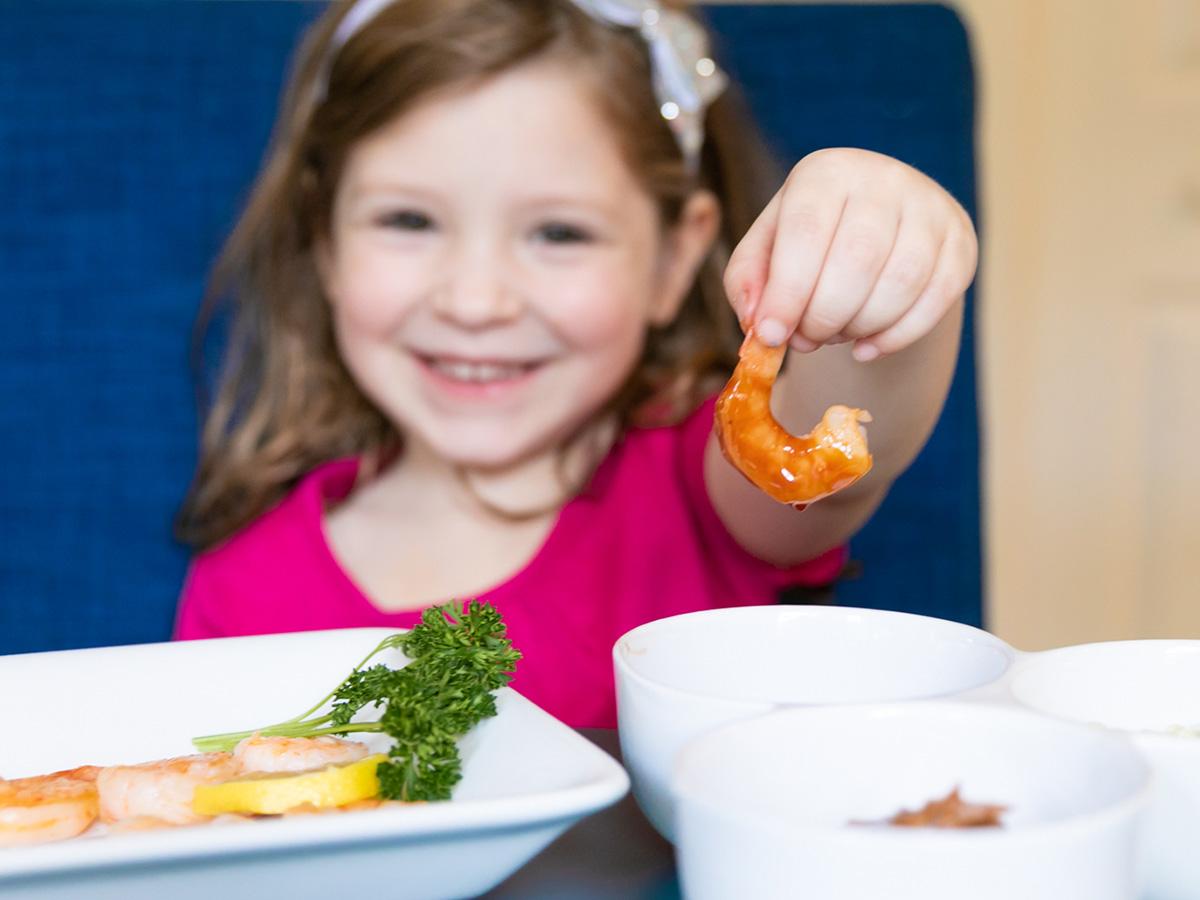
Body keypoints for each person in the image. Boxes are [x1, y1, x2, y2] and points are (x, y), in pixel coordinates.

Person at [172, 0, 977, 729]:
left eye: (559, 234)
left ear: (672, 259)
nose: (476, 301)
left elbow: (840, 447)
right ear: (325, 244)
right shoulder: (242, 588)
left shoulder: (699, 498)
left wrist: (874, 254)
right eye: (409, 220)